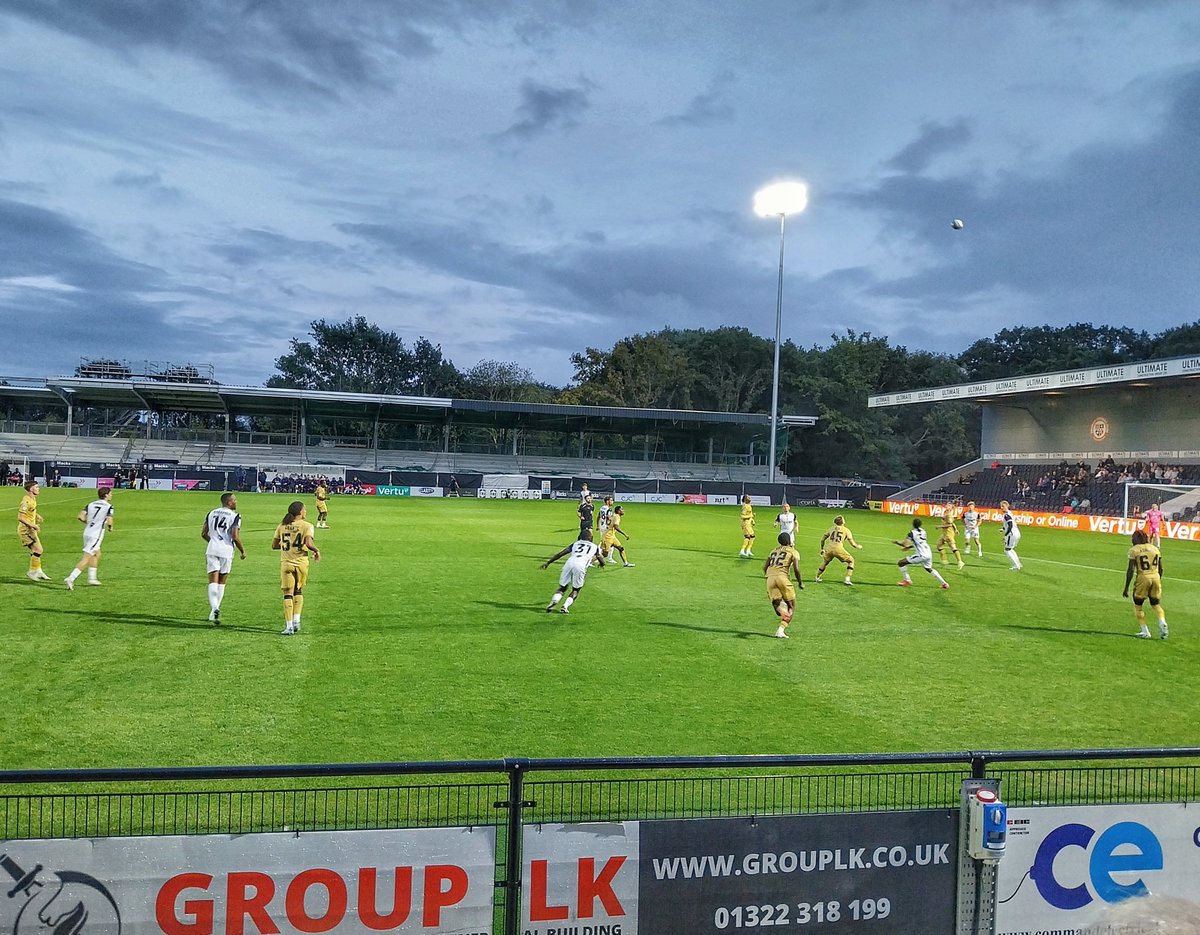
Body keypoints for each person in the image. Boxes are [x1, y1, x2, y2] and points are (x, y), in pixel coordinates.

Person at [272, 500, 321, 636]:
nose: (305, 511)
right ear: (300, 512)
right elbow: (308, 542)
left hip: (286, 563)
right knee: (298, 591)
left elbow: (274, 545)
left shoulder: (282, 526)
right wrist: (316, 551)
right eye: (304, 509)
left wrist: (288, 546)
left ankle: (288, 627)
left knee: (288, 594)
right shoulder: (307, 526)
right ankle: (296, 621)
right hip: (301, 564)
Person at [201, 492, 246, 624]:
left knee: (212, 580)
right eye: (234, 500)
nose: (236, 502)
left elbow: (204, 533)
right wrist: (242, 551)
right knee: (221, 581)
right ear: (228, 502)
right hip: (226, 550)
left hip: (212, 548)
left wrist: (213, 541)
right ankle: (214, 610)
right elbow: (235, 536)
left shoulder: (211, 513)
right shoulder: (235, 516)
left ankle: (214, 608)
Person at [541, 528, 605, 614]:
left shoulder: (576, 544)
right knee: (576, 590)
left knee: (562, 587)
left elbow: (561, 554)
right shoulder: (594, 547)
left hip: (569, 563)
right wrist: (602, 564)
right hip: (580, 566)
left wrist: (548, 562)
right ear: (591, 538)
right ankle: (565, 606)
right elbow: (600, 558)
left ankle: (554, 601)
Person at [64, 486, 114, 589]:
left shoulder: (91, 504)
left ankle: (92, 578)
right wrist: (110, 527)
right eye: (110, 493)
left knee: (97, 554)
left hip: (87, 532)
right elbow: (109, 520)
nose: (111, 495)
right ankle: (71, 578)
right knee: (87, 557)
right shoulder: (109, 506)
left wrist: (90, 523)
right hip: (95, 535)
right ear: (106, 495)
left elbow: (80, 516)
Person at [1124, 528, 1167, 640]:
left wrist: (1126, 587)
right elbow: (1161, 568)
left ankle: (1145, 631)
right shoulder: (1155, 549)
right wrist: (1158, 580)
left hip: (1143, 578)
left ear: (1136, 539)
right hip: (1156, 577)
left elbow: (1130, 570)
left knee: (1138, 605)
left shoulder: (1134, 550)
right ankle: (1162, 621)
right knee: (1156, 604)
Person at [763, 532, 804, 639]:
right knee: (791, 607)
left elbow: (765, 567)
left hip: (770, 578)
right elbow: (796, 569)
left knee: (777, 605)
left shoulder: (773, 551)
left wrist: (769, 577)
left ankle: (783, 613)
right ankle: (781, 630)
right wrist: (800, 582)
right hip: (783, 578)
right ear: (789, 541)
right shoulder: (793, 552)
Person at [893, 518, 949, 589]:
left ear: (913, 524)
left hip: (921, 554)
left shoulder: (911, 533)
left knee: (901, 563)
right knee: (929, 568)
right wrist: (910, 547)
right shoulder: (923, 531)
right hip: (928, 553)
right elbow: (920, 542)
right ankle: (944, 583)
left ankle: (907, 580)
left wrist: (897, 542)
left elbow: (905, 544)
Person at [814, 514, 863, 585]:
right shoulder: (846, 530)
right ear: (843, 522)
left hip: (829, 548)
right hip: (838, 549)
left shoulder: (831, 529)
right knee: (851, 561)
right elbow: (852, 543)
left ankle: (817, 577)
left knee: (825, 562)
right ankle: (847, 579)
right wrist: (858, 546)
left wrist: (822, 548)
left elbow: (822, 539)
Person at [17, 480, 49, 581]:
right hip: (26, 530)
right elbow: (20, 517)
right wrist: (33, 525)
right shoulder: (26, 501)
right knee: (38, 550)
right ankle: (32, 571)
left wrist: (37, 515)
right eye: (37, 487)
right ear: (31, 489)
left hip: (30, 529)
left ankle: (38, 571)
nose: (38, 489)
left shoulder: (32, 498)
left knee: (35, 550)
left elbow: (31, 510)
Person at [999, 500, 1023, 570]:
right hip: (1017, 533)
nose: (1001, 507)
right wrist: (1003, 529)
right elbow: (1007, 524)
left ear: (1007, 506)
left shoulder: (1007, 515)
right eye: (1001, 506)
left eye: (1003, 506)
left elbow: (1010, 525)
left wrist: (1006, 535)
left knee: (1007, 550)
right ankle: (1018, 564)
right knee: (1010, 549)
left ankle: (1016, 565)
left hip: (1011, 534)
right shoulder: (1010, 513)